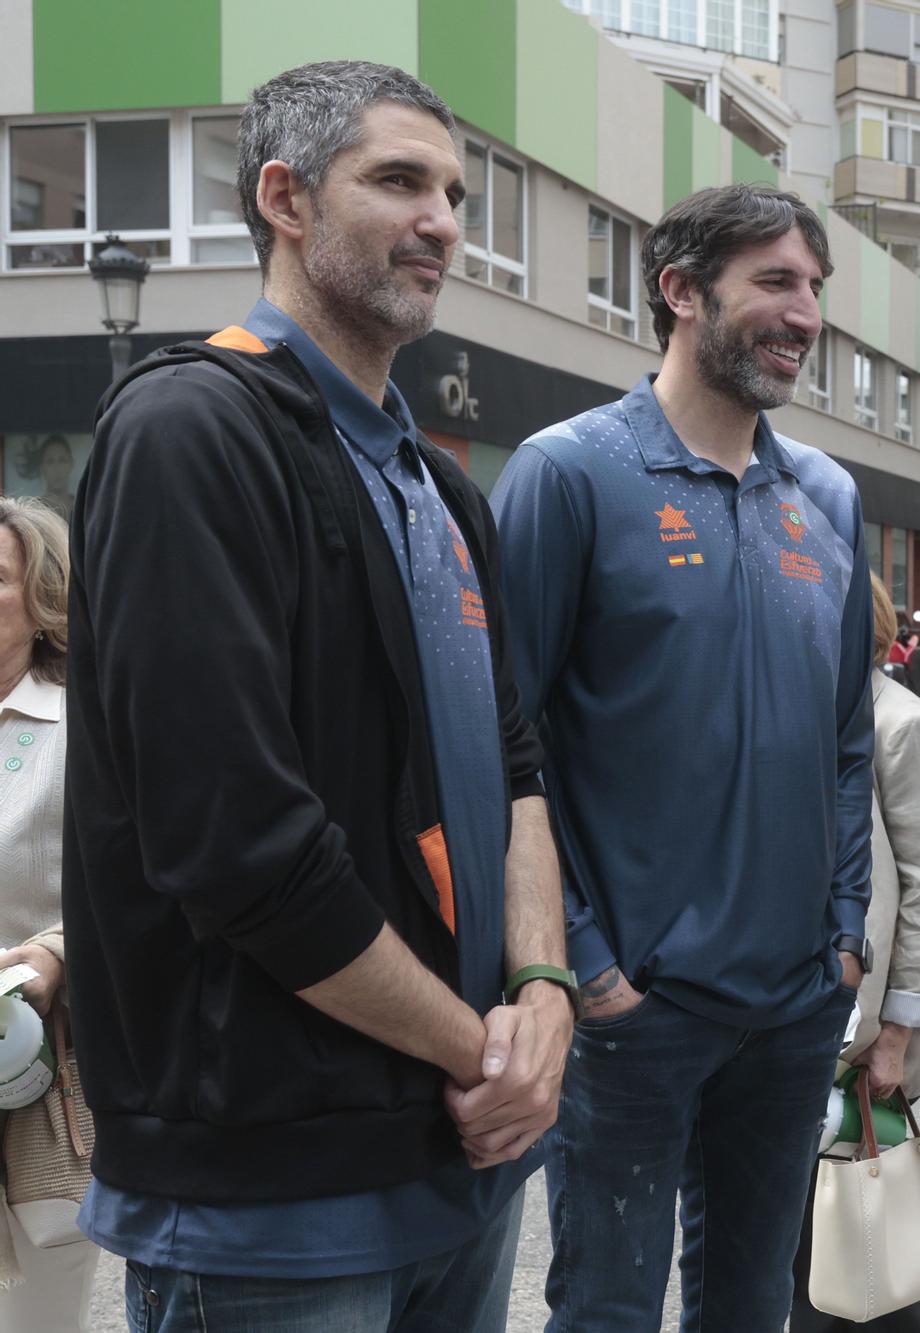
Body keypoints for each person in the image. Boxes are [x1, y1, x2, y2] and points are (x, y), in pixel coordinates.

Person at [65, 62, 569, 1332]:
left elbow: (517, 765)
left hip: (460, 1159)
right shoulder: (192, 430)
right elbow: (234, 843)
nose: (444, 219)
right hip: (272, 1202)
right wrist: (484, 1051)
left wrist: (546, 992)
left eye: (453, 191)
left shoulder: (441, 489)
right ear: (285, 199)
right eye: (398, 180)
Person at [490, 183, 873, 1332]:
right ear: (678, 290)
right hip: (631, 1013)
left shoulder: (828, 496)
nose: (804, 313)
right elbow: (505, 743)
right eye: (774, 281)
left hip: (797, 997)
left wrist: (844, 932)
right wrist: (583, 966)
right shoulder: (567, 473)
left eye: (813, 288)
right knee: (606, 1307)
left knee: (753, 1304)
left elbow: (847, 740)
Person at [790, 573, 920, 1333]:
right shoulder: (826, 719)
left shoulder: (900, 724)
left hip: (866, 1038)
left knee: (845, 1250)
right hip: (817, 1023)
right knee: (837, 1253)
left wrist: (896, 1035)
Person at [0, 498, 98, 1330]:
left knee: (37, 1317)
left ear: (42, 602)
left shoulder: (85, 724)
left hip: (34, 1075)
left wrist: (56, 953)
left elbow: (130, 883)